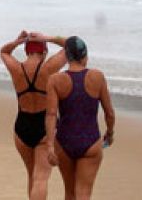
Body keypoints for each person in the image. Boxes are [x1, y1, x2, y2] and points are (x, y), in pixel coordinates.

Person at [42, 36, 116, 200]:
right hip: (90, 141)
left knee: (69, 193)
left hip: (64, 142)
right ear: (85, 56)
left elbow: (51, 114)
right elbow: (109, 112)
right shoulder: (97, 77)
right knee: (84, 194)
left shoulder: (55, 80)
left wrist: (49, 146)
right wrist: (109, 133)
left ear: (67, 57)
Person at [0, 30, 67, 199]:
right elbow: (71, 46)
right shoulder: (48, 68)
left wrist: (17, 41)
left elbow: (3, 52)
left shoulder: (16, 68)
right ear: (44, 51)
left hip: (22, 125)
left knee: (32, 175)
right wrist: (49, 37)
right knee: (41, 178)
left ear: (26, 51)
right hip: (44, 126)